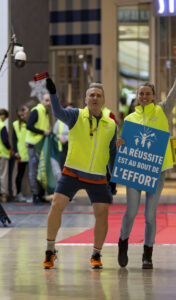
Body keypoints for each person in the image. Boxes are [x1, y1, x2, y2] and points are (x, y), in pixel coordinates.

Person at [117, 45, 176, 269]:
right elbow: (123, 145)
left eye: (148, 93)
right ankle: (123, 243)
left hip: (157, 170)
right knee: (131, 211)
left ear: (154, 96)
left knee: (149, 215)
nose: (145, 97)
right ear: (137, 97)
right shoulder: (129, 120)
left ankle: (148, 254)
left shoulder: (163, 110)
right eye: (141, 94)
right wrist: (120, 144)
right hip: (135, 170)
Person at [43, 78, 117, 270]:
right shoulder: (75, 115)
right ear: (85, 99)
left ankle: (96, 254)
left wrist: (113, 177)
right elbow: (58, 112)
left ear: (104, 100)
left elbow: (112, 152)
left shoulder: (111, 125)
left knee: (102, 214)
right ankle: (50, 250)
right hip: (72, 172)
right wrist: (53, 93)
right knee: (56, 205)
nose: (95, 98)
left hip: (98, 176)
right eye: (91, 95)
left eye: (98, 95)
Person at [25, 93, 51, 204]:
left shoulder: (46, 113)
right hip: (34, 145)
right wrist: (43, 132)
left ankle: (41, 195)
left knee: (41, 171)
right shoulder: (36, 111)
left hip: (41, 146)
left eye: (50, 101)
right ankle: (36, 195)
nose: (48, 103)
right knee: (34, 171)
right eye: (46, 100)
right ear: (41, 100)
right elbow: (29, 125)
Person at [12, 105, 30, 202]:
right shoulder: (15, 124)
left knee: (31, 175)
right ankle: (18, 194)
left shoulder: (28, 124)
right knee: (20, 175)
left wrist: (28, 111)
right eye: (21, 114)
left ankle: (33, 194)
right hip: (20, 154)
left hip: (29, 153)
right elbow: (14, 140)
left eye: (24, 113)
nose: (22, 115)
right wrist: (15, 152)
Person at [53, 103, 74, 170]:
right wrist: (59, 136)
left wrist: (66, 139)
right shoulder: (59, 121)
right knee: (62, 167)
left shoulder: (76, 122)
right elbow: (54, 134)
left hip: (73, 149)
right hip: (61, 149)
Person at [0, 109, 11, 203]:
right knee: (3, 175)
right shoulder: (2, 126)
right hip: (2, 153)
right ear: (3, 116)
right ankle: (3, 195)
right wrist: (10, 148)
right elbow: (5, 141)